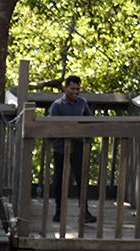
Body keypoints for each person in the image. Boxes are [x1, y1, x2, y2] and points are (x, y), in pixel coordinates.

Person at [49, 75, 96, 224]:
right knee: (59, 180)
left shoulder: (82, 103)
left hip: (78, 146)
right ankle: (58, 211)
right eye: (73, 88)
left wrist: (85, 135)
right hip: (61, 147)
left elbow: (89, 120)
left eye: (78, 89)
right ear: (65, 88)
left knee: (81, 179)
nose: (76, 91)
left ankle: (85, 212)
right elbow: (52, 126)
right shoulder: (57, 105)